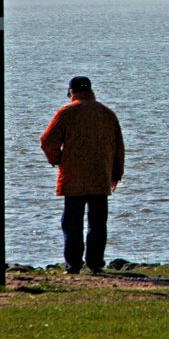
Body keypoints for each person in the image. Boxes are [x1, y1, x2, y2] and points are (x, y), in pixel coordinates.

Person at [40, 76, 125, 275]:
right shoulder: (107, 114)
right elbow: (119, 148)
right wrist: (115, 174)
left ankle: (73, 266)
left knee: (72, 223)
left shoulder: (66, 113)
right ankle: (95, 264)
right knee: (97, 224)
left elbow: (46, 141)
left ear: (71, 92)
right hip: (100, 177)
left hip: (73, 178)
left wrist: (58, 159)